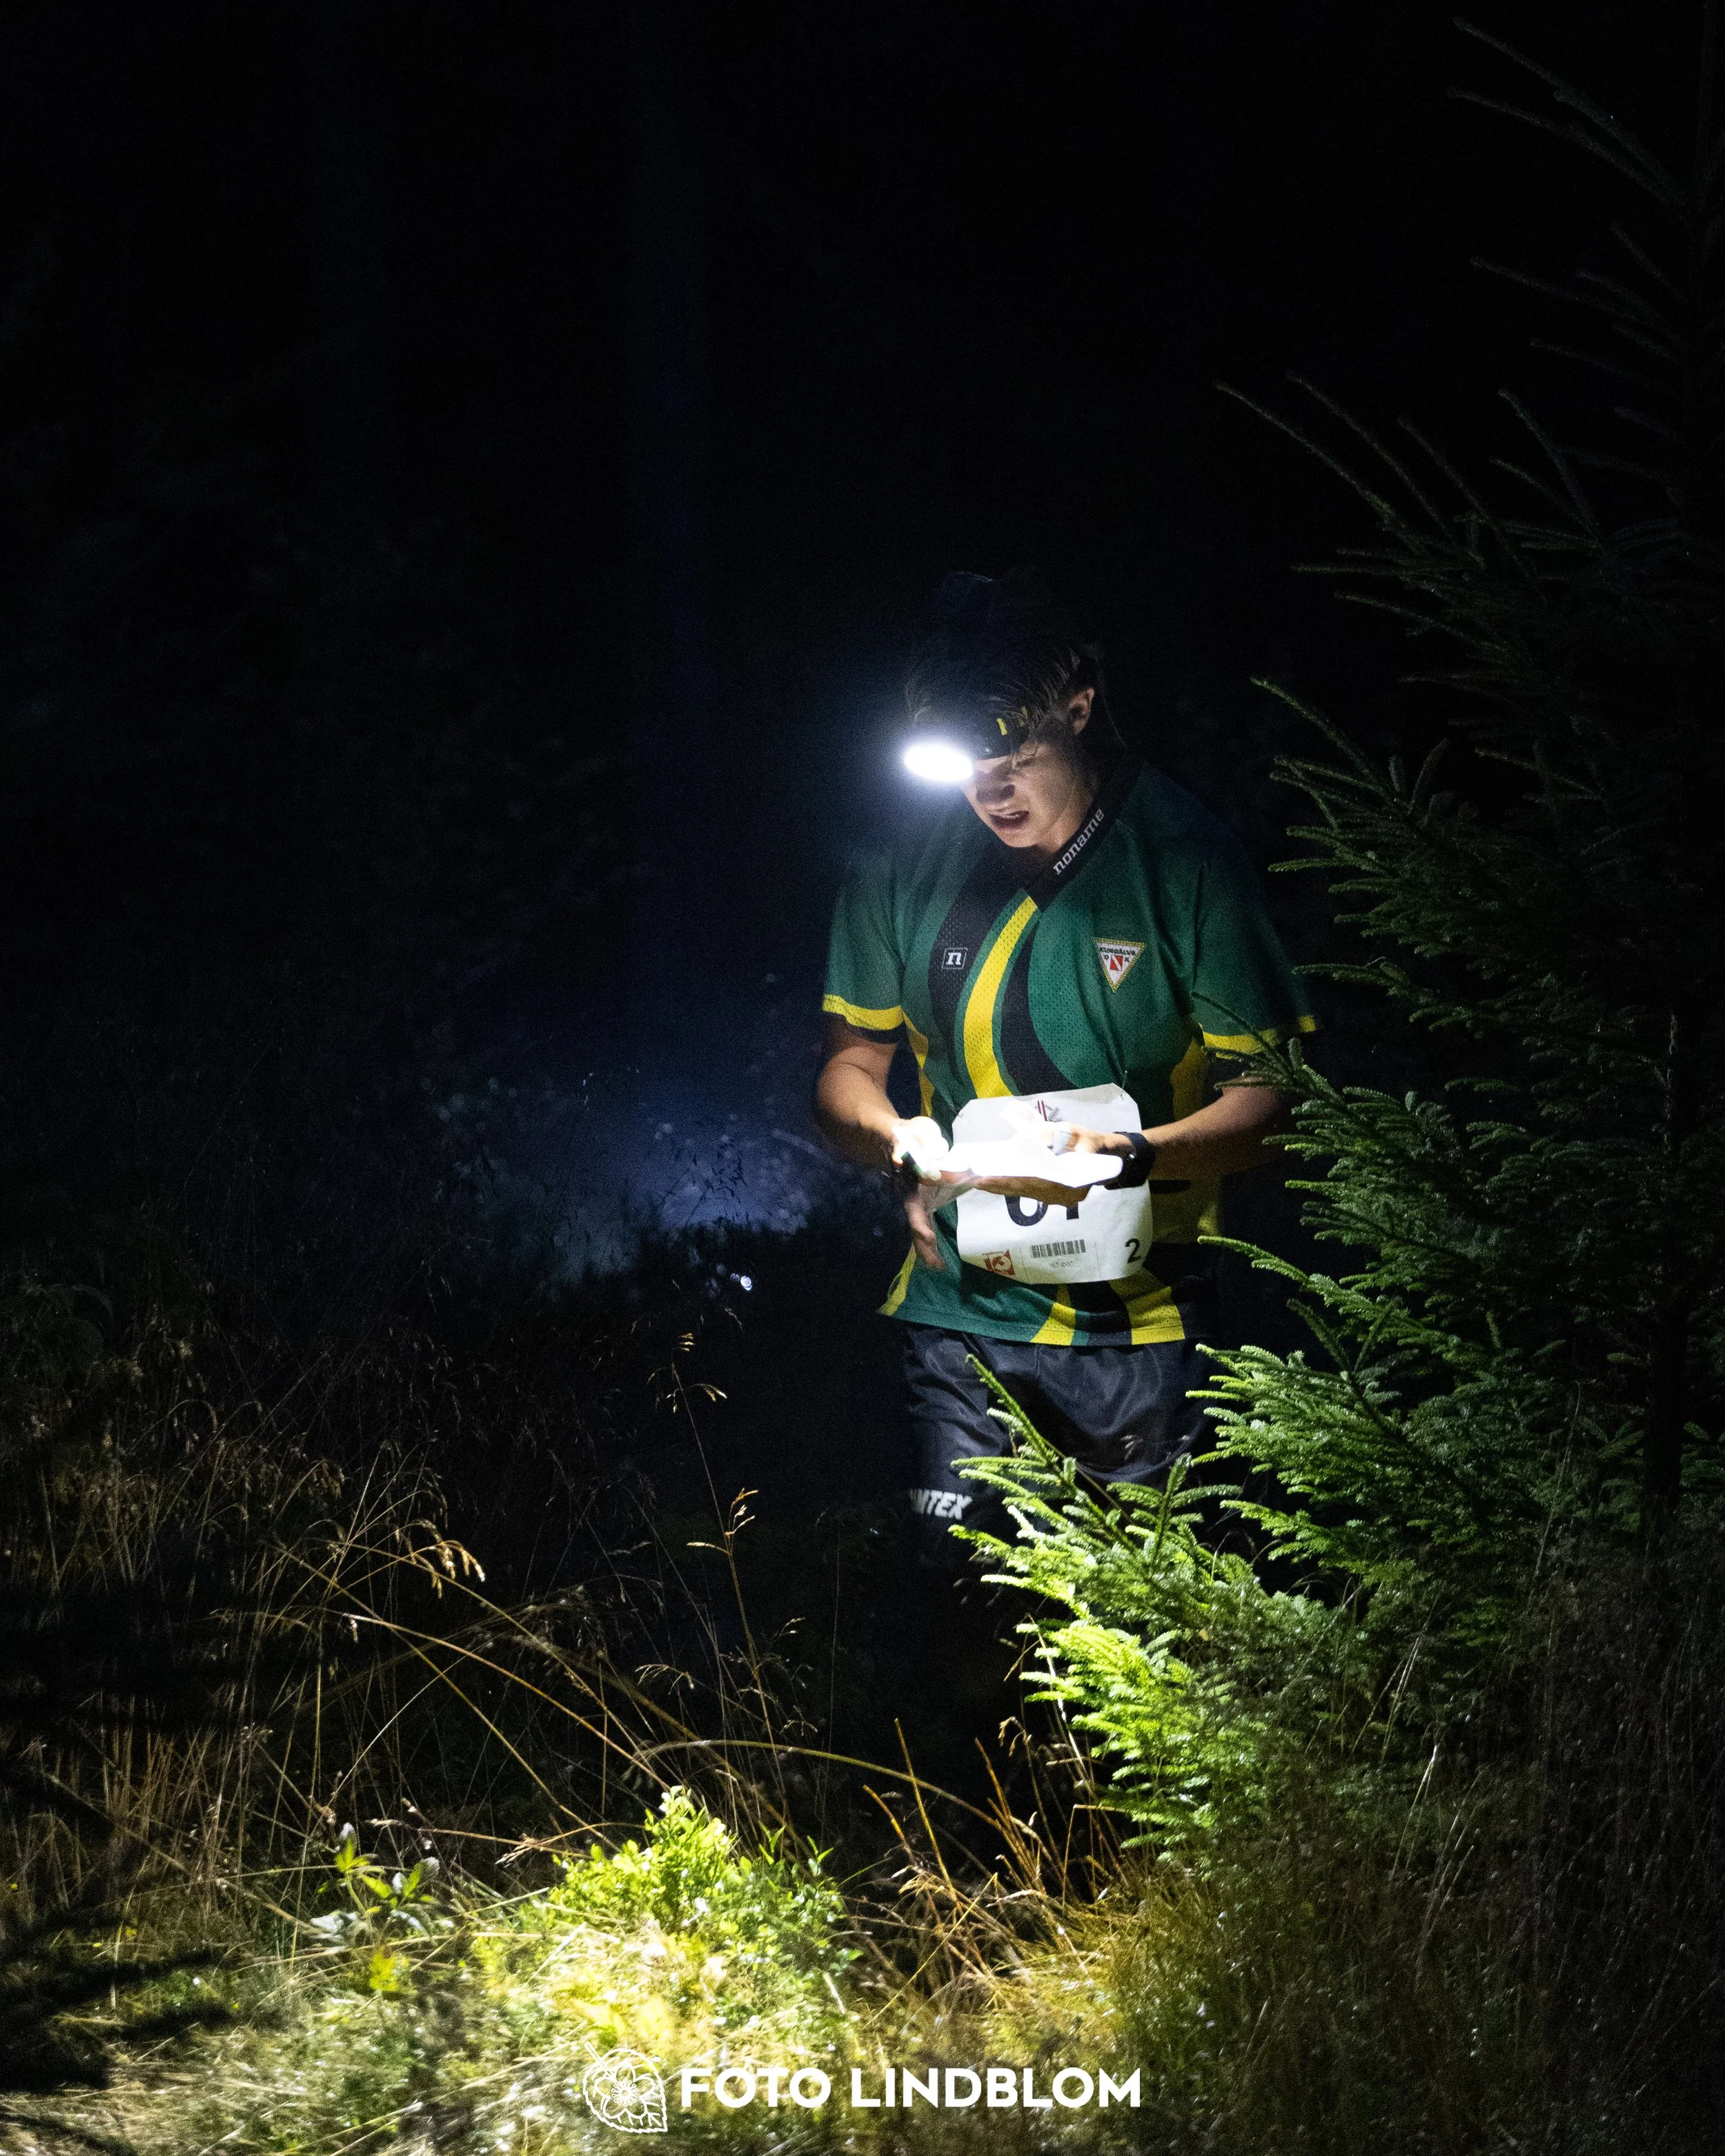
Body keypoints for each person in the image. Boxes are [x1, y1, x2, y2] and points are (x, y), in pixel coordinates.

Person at [815, 569, 1314, 1572]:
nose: (988, 785)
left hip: (1144, 1319)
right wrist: (899, 1137)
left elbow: (1276, 1103)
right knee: (959, 1603)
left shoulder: (1183, 858)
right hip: (957, 1308)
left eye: (1014, 748)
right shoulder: (901, 860)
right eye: (959, 758)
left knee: (1139, 1629)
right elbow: (848, 1069)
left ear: (1080, 709)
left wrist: (1126, 1156)